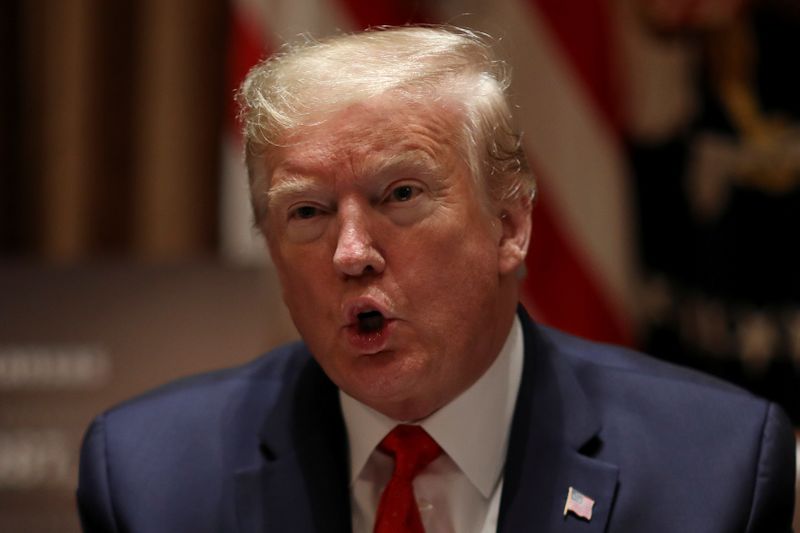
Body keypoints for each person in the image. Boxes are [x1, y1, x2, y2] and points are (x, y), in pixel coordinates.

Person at [77, 26, 795, 532]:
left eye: (401, 195)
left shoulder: (715, 469)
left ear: (510, 225)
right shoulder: (150, 479)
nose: (351, 252)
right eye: (307, 211)